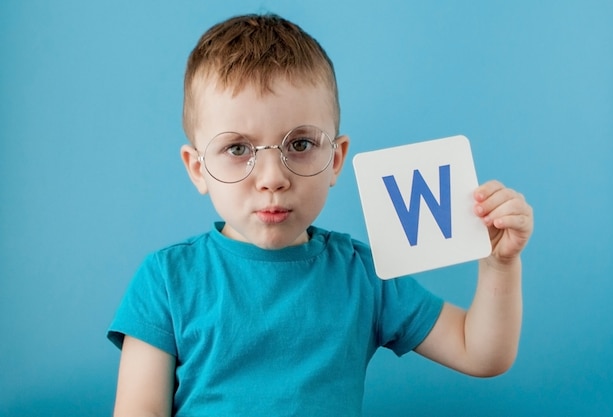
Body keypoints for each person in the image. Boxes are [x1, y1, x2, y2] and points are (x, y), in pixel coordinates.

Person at [107, 13, 533, 417]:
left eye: (300, 144)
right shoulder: (165, 279)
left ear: (335, 159)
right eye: (238, 149)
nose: (272, 178)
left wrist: (500, 264)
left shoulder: (364, 275)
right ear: (198, 168)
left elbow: (479, 352)